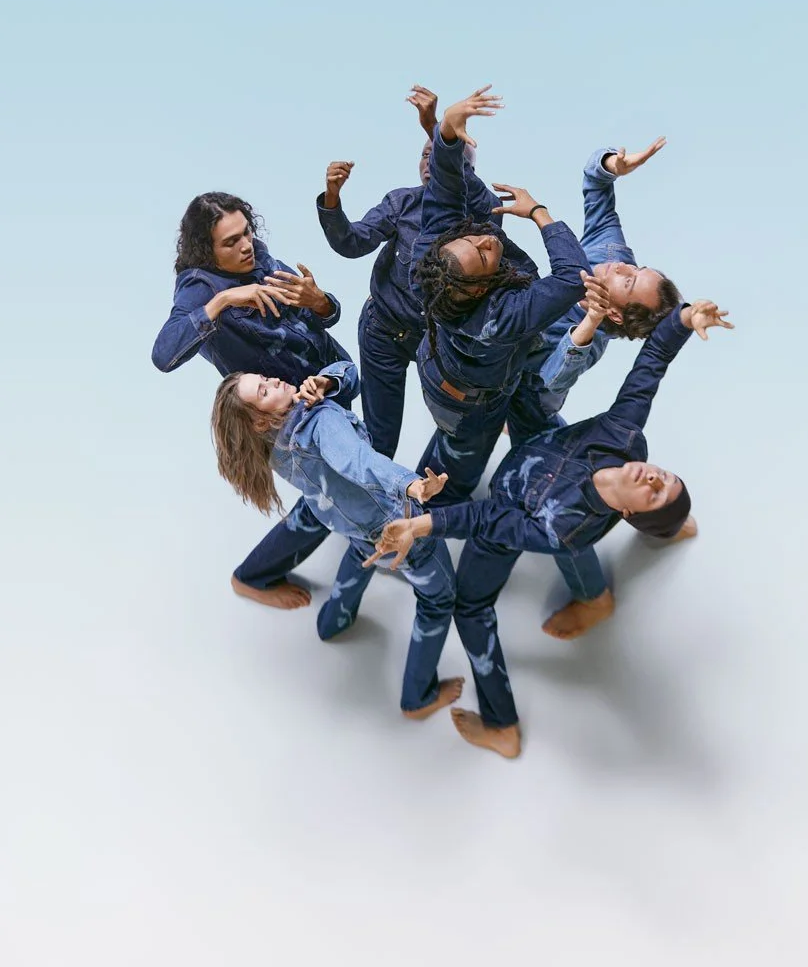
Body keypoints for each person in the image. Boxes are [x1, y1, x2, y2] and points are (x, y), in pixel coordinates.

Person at [372, 298, 734, 758]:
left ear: (630, 515)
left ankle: (502, 726)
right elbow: (650, 367)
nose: (657, 476)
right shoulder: (625, 437)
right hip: (540, 440)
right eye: (667, 478)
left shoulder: (562, 528)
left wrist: (423, 525)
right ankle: (670, 524)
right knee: (533, 411)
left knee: (472, 608)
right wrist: (683, 318)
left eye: (658, 493)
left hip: (518, 502)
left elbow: (487, 518)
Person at [210, 360, 464, 719]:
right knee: (438, 600)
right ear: (259, 421)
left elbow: (348, 373)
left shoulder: (274, 446)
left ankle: (333, 623)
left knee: (361, 554)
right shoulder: (319, 422)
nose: (275, 379)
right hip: (398, 527)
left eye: (265, 378)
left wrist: (327, 381)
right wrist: (410, 484)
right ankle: (418, 698)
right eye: (264, 390)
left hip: (355, 526)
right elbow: (359, 461)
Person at [152, 191, 350, 610]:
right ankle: (251, 577)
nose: (246, 245)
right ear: (206, 249)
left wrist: (320, 302)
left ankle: (377, 529)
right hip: (288, 412)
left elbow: (323, 315)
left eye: (246, 232)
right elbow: (163, 355)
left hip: (329, 379)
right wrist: (223, 301)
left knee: (356, 465)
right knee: (328, 497)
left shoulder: (259, 257)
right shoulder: (198, 289)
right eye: (230, 242)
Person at [409, 86, 604, 504]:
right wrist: (539, 213)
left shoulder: (431, 260)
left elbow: (443, 189)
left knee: (451, 440)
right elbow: (574, 277)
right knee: (462, 460)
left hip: (442, 365)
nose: (484, 238)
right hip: (469, 401)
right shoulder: (500, 318)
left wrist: (445, 130)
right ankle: (431, 503)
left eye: (473, 237)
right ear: (481, 288)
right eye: (483, 255)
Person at [316, 85, 501, 458]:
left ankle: (435, 498)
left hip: (438, 342)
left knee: (462, 425)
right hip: (382, 332)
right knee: (380, 441)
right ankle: (372, 503)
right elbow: (351, 243)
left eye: (441, 155)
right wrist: (333, 198)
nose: (429, 161)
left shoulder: (482, 217)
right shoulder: (401, 202)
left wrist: (436, 126)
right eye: (423, 154)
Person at [506, 138, 683, 444]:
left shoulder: (592, 342)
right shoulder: (612, 253)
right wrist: (612, 165)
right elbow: (595, 183)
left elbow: (553, 379)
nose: (621, 267)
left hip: (529, 398)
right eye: (638, 269)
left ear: (614, 312)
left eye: (628, 282)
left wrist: (588, 322)